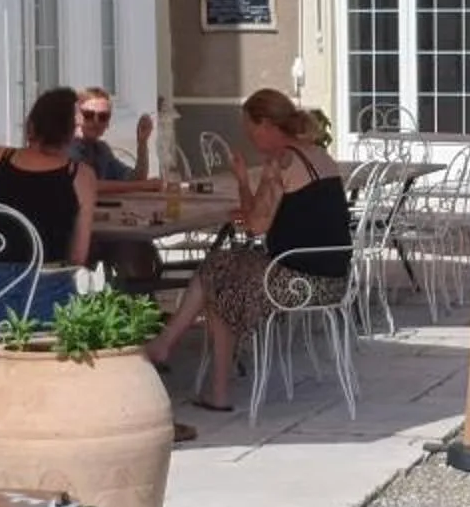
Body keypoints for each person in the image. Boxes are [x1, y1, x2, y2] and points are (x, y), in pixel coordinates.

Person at [143, 89, 351, 411]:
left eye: (250, 129)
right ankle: (183, 359)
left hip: (297, 279)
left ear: (266, 124)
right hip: (334, 277)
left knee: (216, 278)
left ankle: (174, 352)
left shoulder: (282, 162)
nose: (249, 137)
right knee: (219, 271)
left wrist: (242, 184)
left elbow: (255, 227)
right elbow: (264, 217)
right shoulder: (319, 156)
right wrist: (244, 181)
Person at [0, 87, 96, 327]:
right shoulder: (80, 176)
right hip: (47, 296)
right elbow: (78, 256)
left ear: (31, 124)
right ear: (70, 133)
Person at [68, 87, 161, 195]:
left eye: (103, 117)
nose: (96, 121)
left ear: (108, 123)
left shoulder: (101, 150)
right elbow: (86, 184)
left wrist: (142, 142)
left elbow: (134, 178)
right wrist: (143, 186)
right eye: (89, 115)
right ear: (76, 117)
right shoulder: (65, 147)